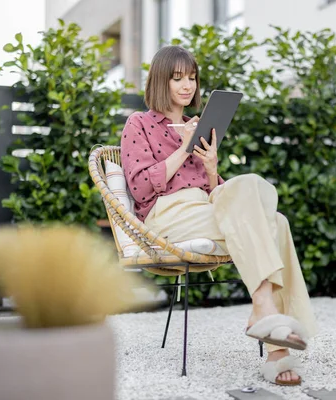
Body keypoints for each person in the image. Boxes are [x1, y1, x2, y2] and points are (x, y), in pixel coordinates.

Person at [120, 45, 316, 386]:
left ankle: (268, 319)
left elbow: (218, 195)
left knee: (266, 206)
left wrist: (211, 168)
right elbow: (139, 188)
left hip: (205, 207)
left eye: (192, 78)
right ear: (159, 81)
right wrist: (184, 149)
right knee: (271, 222)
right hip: (168, 215)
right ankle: (272, 333)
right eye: (177, 78)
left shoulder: (199, 127)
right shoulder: (140, 123)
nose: (187, 86)